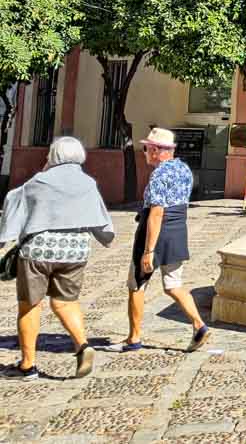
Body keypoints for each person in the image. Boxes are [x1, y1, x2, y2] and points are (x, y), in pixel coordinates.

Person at [0, 137, 114, 381]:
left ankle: (27, 365)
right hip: (75, 252)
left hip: (39, 251)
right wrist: (105, 236)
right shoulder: (87, 183)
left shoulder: (40, 181)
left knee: (30, 305)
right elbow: (99, 217)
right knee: (66, 302)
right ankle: (83, 345)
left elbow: (14, 200)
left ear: (54, 155)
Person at [110, 127, 210, 353]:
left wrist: (148, 250)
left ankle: (134, 337)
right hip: (177, 231)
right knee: (174, 284)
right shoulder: (184, 169)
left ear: (155, 150)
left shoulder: (159, 174)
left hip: (155, 232)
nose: (144, 152)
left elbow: (157, 212)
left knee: (137, 284)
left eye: (146, 148)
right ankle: (199, 324)